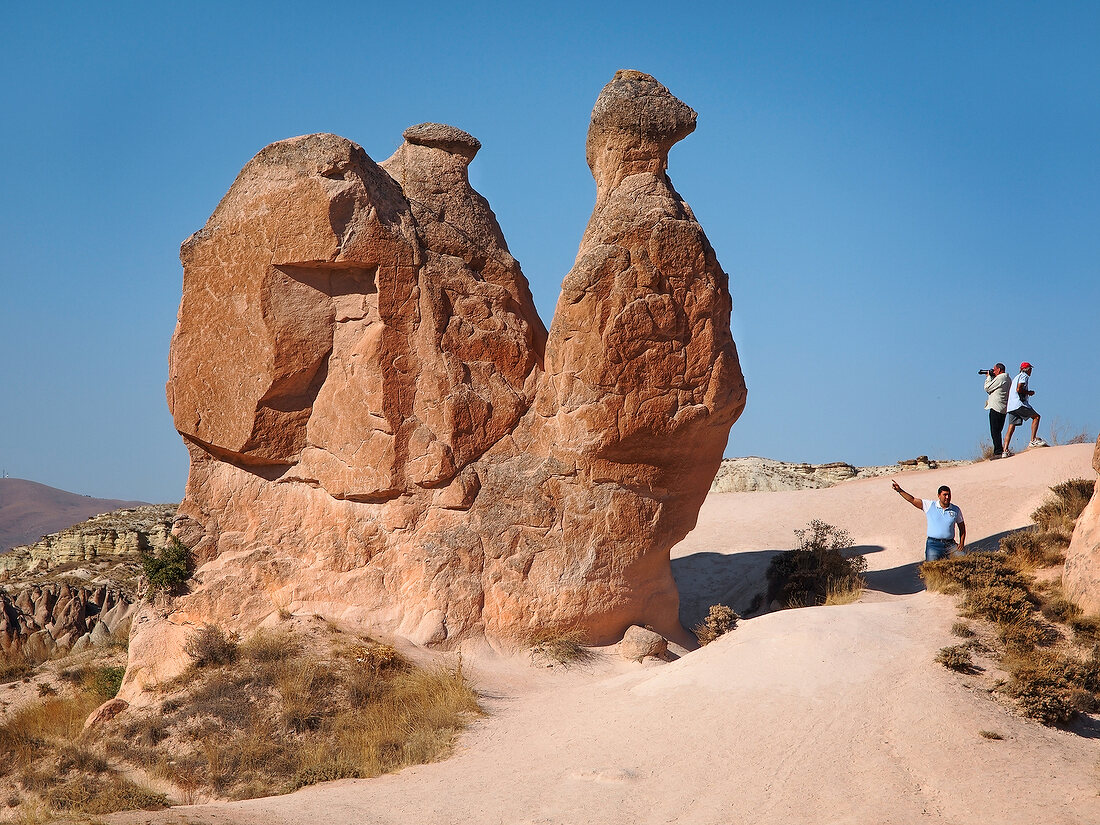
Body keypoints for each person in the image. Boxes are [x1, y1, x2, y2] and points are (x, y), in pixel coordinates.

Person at [891, 481, 966, 561]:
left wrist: (961, 543)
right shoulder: (929, 505)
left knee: (964, 560)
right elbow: (912, 500)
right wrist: (899, 490)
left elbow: (962, 527)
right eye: (945, 495)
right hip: (933, 545)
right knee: (931, 568)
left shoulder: (956, 509)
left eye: (949, 495)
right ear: (939, 496)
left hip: (950, 545)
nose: (947, 497)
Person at [1003, 361, 1047, 455]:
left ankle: (1005, 450)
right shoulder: (1024, 376)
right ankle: (1033, 440)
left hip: (1011, 406)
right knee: (1036, 417)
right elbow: (1019, 389)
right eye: (1030, 369)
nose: (1031, 371)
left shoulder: (1016, 377)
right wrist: (1029, 393)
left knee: (1011, 426)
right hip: (1019, 404)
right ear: (1027, 370)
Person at [983, 363, 1010, 459]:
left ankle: (998, 451)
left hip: (996, 407)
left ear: (999, 370)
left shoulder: (1001, 378)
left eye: (994, 370)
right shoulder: (1007, 378)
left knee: (995, 431)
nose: (993, 371)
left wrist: (988, 377)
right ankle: (1000, 449)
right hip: (1003, 408)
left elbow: (987, 388)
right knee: (998, 431)